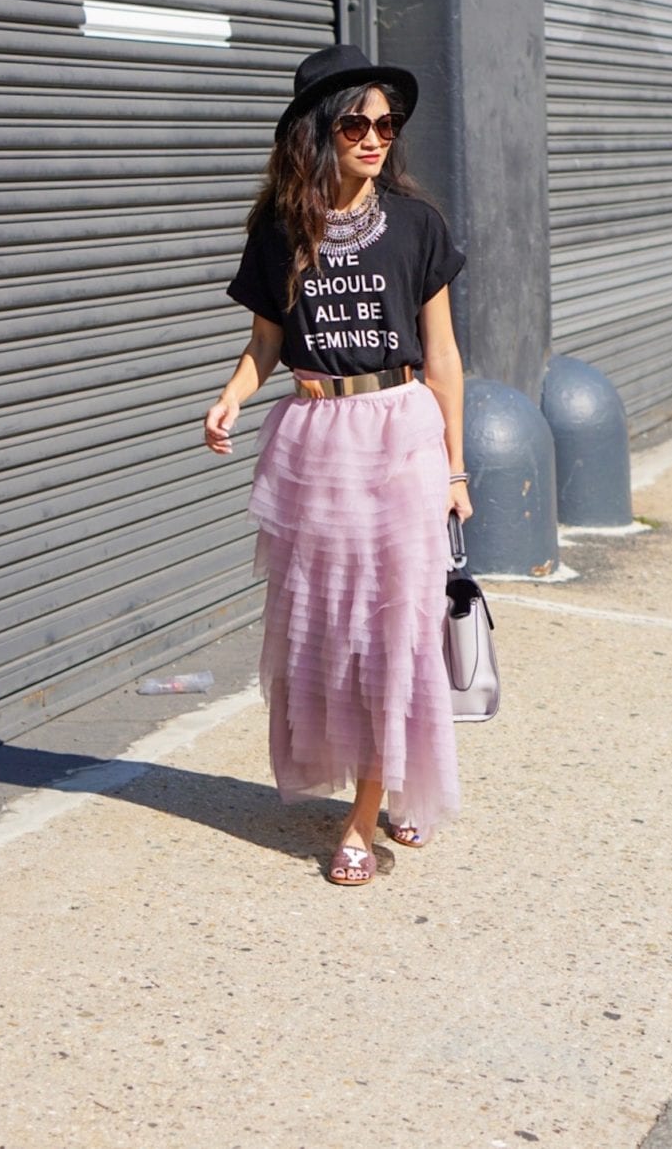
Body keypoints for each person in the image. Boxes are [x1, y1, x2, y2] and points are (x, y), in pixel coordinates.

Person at [203, 44, 472, 887]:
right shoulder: (281, 229)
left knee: (395, 628)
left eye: (386, 123)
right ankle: (383, 781)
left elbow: (445, 357)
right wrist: (232, 396)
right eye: (356, 121)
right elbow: (264, 343)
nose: (375, 136)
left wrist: (458, 471)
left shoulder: (418, 224)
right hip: (317, 440)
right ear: (320, 130)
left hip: (401, 433)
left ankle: (366, 813)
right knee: (334, 630)